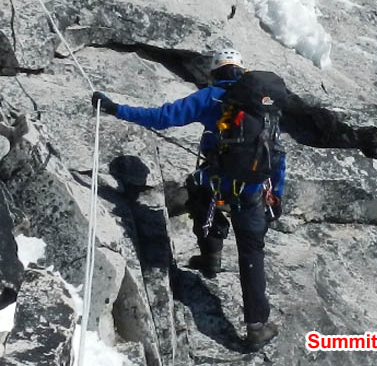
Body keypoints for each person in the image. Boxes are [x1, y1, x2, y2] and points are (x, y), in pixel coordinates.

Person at [91, 49, 285, 350]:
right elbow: (276, 151)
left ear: (215, 72)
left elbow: (162, 117)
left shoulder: (212, 98)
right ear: (242, 71)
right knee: (252, 254)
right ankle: (256, 326)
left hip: (218, 182)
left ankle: (211, 257)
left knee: (198, 189)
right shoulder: (262, 103)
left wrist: (117, 110)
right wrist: (279, 193)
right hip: (253, 190)